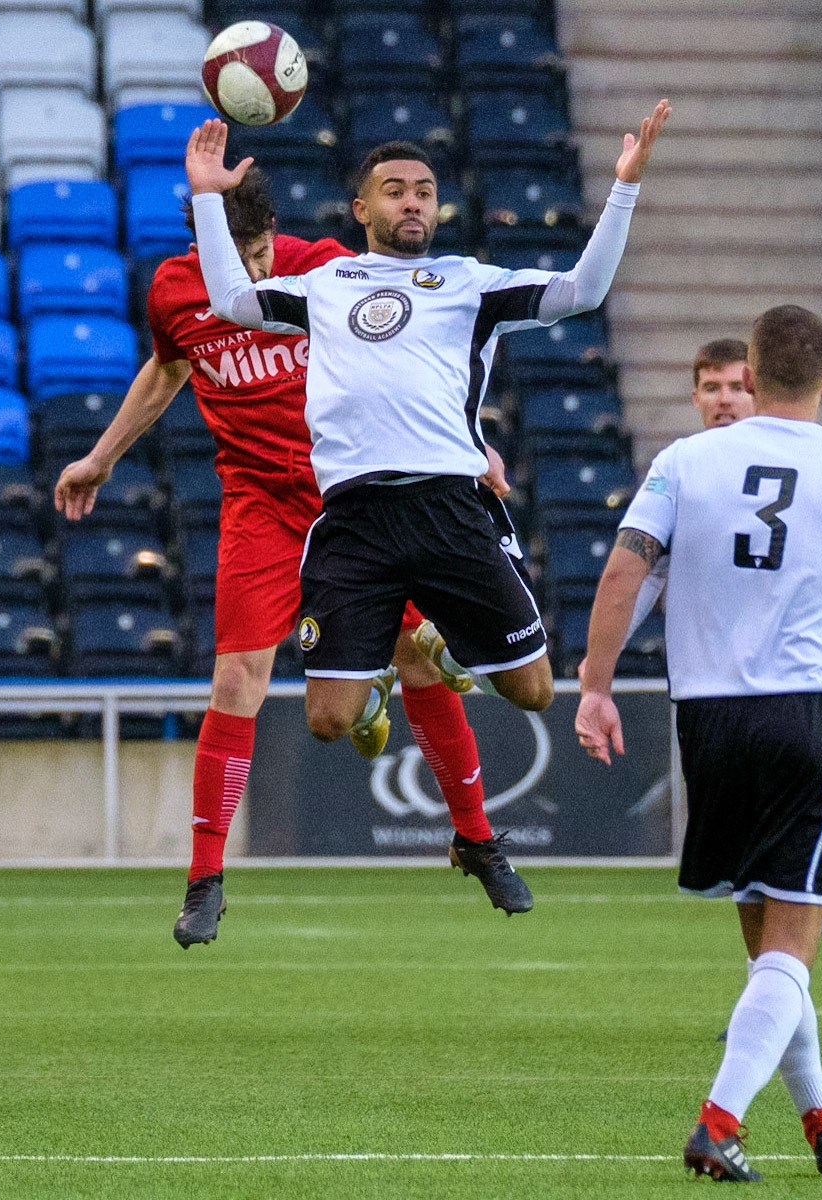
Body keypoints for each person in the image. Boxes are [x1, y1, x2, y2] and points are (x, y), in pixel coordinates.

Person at [54, 168, 531, 945]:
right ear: (203, 243)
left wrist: (472, 448)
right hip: (259, 506)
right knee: (237, 676)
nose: (257, 269)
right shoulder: (176, 291)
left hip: (354, 499)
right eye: (242, 255)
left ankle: (476, 839)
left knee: (417, 657)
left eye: (265, 249)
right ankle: (204, 879)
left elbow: (410, 357)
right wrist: (102, 457)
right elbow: (168, 367)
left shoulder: (325, 268)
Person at [576, 306, 822, 1179]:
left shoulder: (681, 461)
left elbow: (623, 569)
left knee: (768, 951)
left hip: (705, 723)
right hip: (801, 722)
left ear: (748, 370)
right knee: (791, 943)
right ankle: (718, 1121)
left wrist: (594, 684)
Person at [182, 99, 667, 742]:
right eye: (394, 192)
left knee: (535, 691)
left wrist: (625, 186)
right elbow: (231, 300)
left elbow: (582, 290)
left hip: (449, 509)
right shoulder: (326, 283)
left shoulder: (470, 282)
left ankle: (435, 634)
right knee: (328, 721)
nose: (412, 203)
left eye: (424, 192)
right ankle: (381, 668)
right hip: (356, 518)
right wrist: (210, 200)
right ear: (361, 210)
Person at [606, 336, 822, 1039]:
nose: (721, 400)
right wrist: (597, 671)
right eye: (708, 388)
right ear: (693, 397)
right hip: (716, 706)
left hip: (797, 702)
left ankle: (776, 1014)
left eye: (732, 388)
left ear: (755, 388)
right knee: (750, 870)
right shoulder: (688, 470)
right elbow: (641, 578)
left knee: (775, 867)